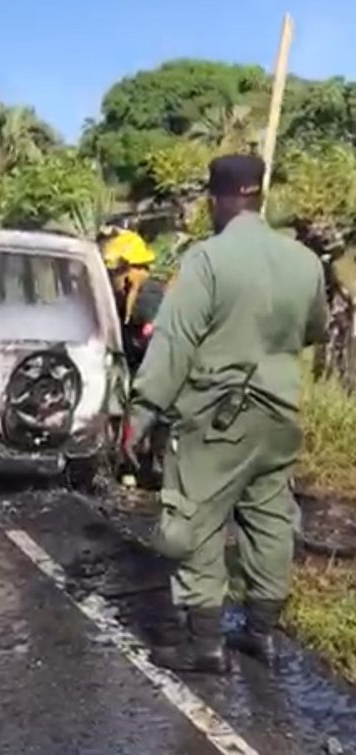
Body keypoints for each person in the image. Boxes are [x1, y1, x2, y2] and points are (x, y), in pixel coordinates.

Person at [123, 154, 329, 674]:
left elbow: (174, 343)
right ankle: (260, 634)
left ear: (217, 201)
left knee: (195, 517)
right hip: (279, 416)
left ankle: (206, 644)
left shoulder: (207, 261)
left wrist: (141, 412)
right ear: (259, 197)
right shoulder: (304, 262)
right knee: (269, 519)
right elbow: (315, 329)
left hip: (218, 419)